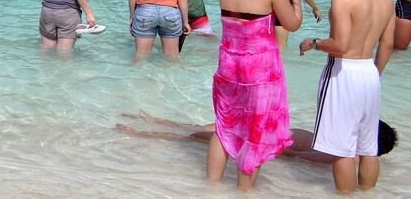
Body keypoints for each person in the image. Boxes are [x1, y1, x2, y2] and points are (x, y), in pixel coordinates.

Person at [207, 0, 304, 190]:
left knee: (224, 126)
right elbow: (292, 24)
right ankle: (244, 192)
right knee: (255, 130)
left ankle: (210, 189)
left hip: (228, 63)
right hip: (260, 69)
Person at [299, 0, 396, 194]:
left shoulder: (343, 0)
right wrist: (376, 72)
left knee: (341, 149)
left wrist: (313, 42)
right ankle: (368, 193)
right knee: (368, 147)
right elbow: (387, 44)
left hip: (344, 72)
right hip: (370, 73)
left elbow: (340, 45)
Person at [119, 114, 398, 166]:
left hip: (267, 134)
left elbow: (298, 155)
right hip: (269, 134)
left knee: (198, 134)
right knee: (198, 135)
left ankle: (146, 127)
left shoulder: (340, 152)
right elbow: (300, 156)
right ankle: (148, 126)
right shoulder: (346, 155)